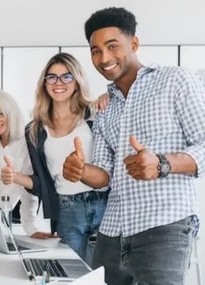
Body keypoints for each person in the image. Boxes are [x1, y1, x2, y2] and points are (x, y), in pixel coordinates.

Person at [63, 7, 205, 285]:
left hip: (165, 225)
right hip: (113, 230)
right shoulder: (105, 108)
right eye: (95, 50)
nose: (103, 58)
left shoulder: (175, 80)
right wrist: (81, 170)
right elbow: (104, 176)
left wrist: (162, 163)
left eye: (112, 46)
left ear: (134, 44)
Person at [13, 53, 107, 263]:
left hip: (104, 204)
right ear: (44, 83)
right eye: (52, 77)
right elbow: (42, 184)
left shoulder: (95, 114)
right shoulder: (35, 130)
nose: (59, 83)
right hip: (67, 209)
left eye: (67, 76)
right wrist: (16, 177)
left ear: (77, 81)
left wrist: (109, 96)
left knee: (107, 276)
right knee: (70, 273)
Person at [0, 89, 54, 239]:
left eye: (0, 114)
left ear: (11, 113)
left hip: (0, 207)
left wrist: (31, 227)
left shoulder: (27, 141)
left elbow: (28, 189)